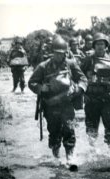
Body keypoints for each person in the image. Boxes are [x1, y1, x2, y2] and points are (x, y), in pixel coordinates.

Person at [28, 36, 88, 167]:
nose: (59, 56)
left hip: (67, 103)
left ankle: (70, 157)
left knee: (69, 129)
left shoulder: (71, 64)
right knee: (54, 132)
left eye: (61, 54)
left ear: (65, 53)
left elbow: (83, 79)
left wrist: (77, 89)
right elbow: (31, 82)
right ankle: (56, 156)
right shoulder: (43, 67)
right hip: (50, 105)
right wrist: (40, 88)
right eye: (56, 53)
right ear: (52, 52)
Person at [81, 33, 110, 147]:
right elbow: (79, 76)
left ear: (106, 45)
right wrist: (83, 94)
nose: (100, 46)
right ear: (94, 46)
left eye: (102, 44)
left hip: (107, 98)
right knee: (91, 127)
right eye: (98, 44)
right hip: (91, 98)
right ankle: (92, 149)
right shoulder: (88, 60)